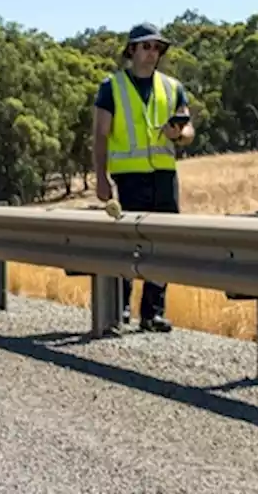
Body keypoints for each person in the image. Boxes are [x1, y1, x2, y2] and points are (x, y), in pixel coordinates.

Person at [91, 22, 194, 333]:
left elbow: (188, 131)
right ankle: (120, 309)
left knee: (163, 243)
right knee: (130, 242)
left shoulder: (172, 87)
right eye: (146, 46)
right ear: (131, 50)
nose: (153, 53)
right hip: (129, 176)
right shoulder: (112, 87)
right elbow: (100, 135)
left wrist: (180, 134)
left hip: (164, 174)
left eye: (157, 48)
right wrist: (100, 178)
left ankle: (153, 312)